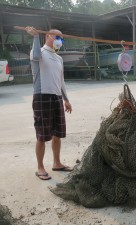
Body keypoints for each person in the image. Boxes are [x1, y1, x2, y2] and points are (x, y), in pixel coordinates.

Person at [26, 27, 73, 181]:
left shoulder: (58, 58)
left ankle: (57, 163)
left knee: (57, 133)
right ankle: (40, 167)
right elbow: (36, 55)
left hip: (57, 97)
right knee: (42, 134)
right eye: (57, 37)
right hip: (41, 96)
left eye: (61, 38)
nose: (59, 40)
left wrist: (66, 99)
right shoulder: (38, 52)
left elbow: (61, 81)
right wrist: (35, 37)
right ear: (48, 36)